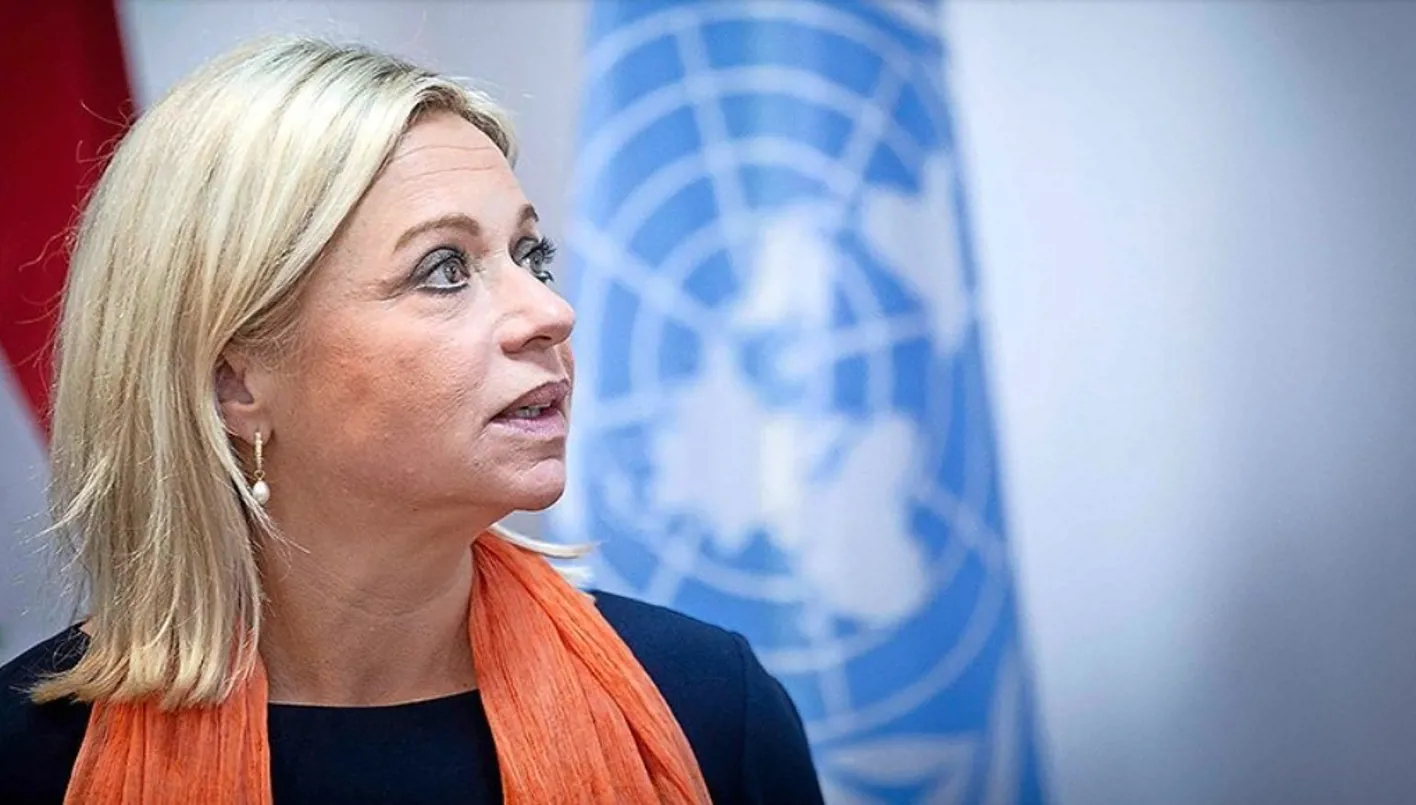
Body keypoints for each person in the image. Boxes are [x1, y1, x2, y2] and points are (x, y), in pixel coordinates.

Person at [0, 36, 823, 805]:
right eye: (444, 268)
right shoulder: (28, 755)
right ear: (234, 380)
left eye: (531, 256)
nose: (551, 312)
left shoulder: (709, 708)